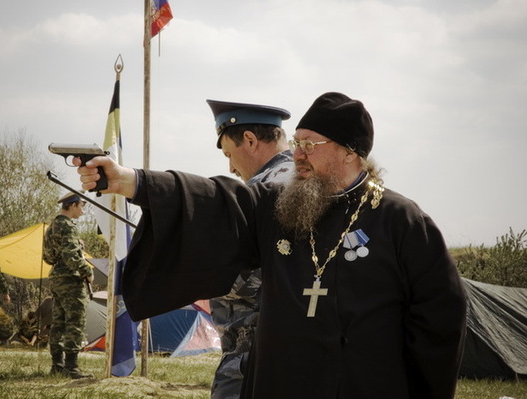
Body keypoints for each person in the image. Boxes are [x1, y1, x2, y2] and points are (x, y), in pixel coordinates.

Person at [74, 92, 467, 399]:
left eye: (310, 145)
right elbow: (216, 199)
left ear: (350, 152)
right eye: (296, 142)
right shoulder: (281, 205)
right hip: (284, 386)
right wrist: (130, 180)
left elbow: (440, 315)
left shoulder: (402, 220)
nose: (297, 154)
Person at [206, 99, 294, 399]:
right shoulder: (306, 180)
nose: (230, 167)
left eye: (230, 154)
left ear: (250, 140)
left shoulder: (263, 192)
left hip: (251, 354)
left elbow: (253, 276)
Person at [43, 192, 94, 379]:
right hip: (71, 279)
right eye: (81, 206)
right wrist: (87, 271)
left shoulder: (52, 227)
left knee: (58, 322)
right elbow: (72, 256)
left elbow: (47, 257)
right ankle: (71, 367)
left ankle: (57, 364)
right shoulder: (68, 226)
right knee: (75, 321)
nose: (82, 210)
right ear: (72, 205)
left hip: (56, 278)